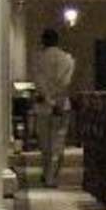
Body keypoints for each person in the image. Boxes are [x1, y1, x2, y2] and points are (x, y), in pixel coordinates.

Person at [33, 26, 76, 188]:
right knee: (58, 142)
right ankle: (52, 177)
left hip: (43, 105)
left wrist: (47, 99)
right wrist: (56, 101)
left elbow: (38, 82)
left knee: (44, 143)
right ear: (57, 41)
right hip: (61, 104)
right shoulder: (67, 59)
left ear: (43, 41)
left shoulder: (38, 59)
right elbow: (65, 83)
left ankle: (46, 174)